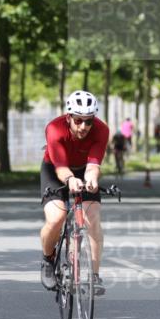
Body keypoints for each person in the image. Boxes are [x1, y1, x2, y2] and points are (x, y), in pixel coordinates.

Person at [40, 90, 110, 295]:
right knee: (57, 217)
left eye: (89, 122)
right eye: (78, 120)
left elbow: (94, 163)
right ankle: (47, 259)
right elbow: (61, 167)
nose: (83, 127)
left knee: (93, 217)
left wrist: (92, 178)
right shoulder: (54, 128)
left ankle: (94, 277)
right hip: (55, 169)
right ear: (68, 117)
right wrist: (70, 179)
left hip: (83, 169)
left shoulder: (101, 130)